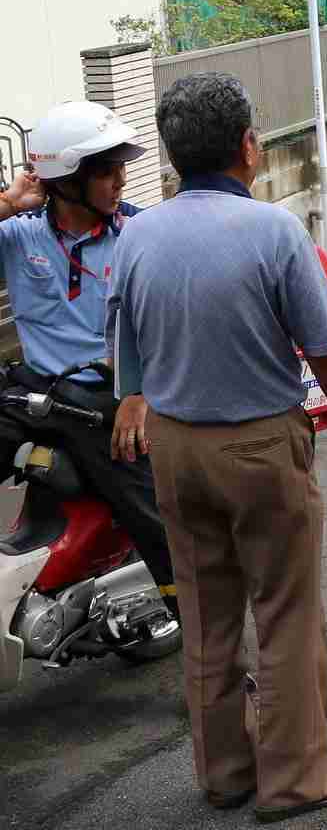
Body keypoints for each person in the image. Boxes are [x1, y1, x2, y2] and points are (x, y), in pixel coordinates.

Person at [109, 72, 327, 823]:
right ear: (248, 146)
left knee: (207, 615)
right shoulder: (272, 231)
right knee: (285, 612)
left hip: (174, 445)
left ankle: (226, 773)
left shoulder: (137, 235)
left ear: (173, 156)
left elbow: (126, 348)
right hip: (261, 444)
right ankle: (294, 781)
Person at [0, 101, 178, 622]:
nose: (121, 180)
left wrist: (138, 396)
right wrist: (8, 202)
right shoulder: (20, 234)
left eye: (120, 167)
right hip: (35, 392)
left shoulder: (140, 235)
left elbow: (167, 324)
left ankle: (202, 634)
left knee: (154, 519)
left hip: (107, 401)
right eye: (107, 170)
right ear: (67, 179)